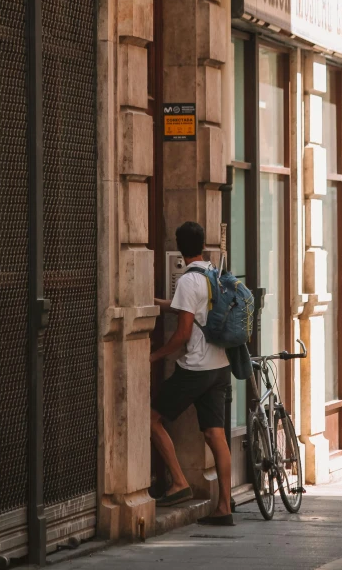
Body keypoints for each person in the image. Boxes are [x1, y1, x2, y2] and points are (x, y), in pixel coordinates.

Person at [151, 221, 233, 526]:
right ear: (202, 245)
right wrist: (161, 305)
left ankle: (179, 482)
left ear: (179, 245)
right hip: (219, 365)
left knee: (151, 417)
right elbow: (193, 311)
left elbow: (184, 333)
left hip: (196, 368)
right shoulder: (214, 274)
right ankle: (224, 507)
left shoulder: (188, 281)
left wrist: (155, 356)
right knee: (216, 435)